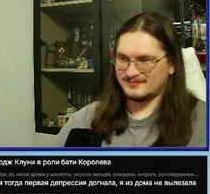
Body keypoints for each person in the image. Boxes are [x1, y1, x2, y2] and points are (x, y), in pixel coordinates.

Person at [56, 12, 207, 147]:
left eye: (145, 60)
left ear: (172, 64)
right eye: (123, 59)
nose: (130, 72)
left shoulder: (202, 126)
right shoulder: (85, 121)